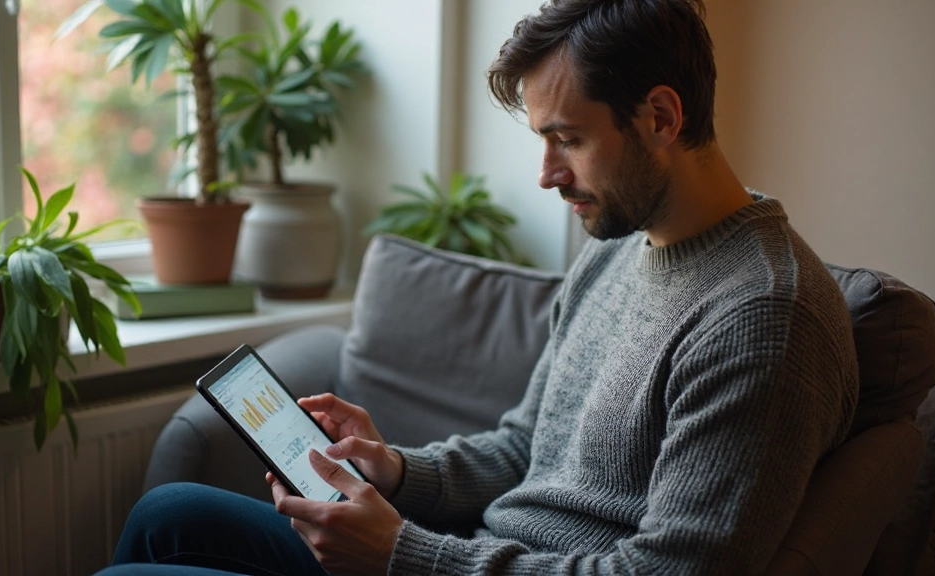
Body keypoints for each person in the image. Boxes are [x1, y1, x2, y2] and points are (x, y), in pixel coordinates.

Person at [95, 0, 859, 574]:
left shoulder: (764, 319)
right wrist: (395, 470)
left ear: (661, 115)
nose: (548, 175)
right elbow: (527, 444)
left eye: (569, 138)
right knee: (170, 513)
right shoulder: (620, 243)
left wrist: (403, 554)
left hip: (449, 567)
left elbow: (665, 573)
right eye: (543, 140)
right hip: (470, 555)